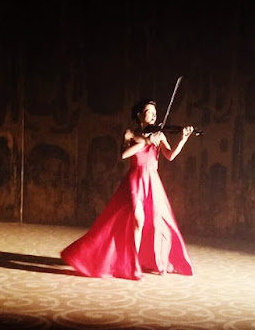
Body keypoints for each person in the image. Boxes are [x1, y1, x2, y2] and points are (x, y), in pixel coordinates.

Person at [60, 99, 195, 280]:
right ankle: (132, 265)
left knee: (157, 222)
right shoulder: (131, 134)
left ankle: (144, 260)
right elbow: (124, 154)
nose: (154, 115)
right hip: (135, 181)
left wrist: (183, 139)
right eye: (149, 111)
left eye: (155, 112)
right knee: (138, 220)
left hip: (152, 182)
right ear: (139, 115)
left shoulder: (159, 135)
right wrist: (147, 141)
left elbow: (170, 156)